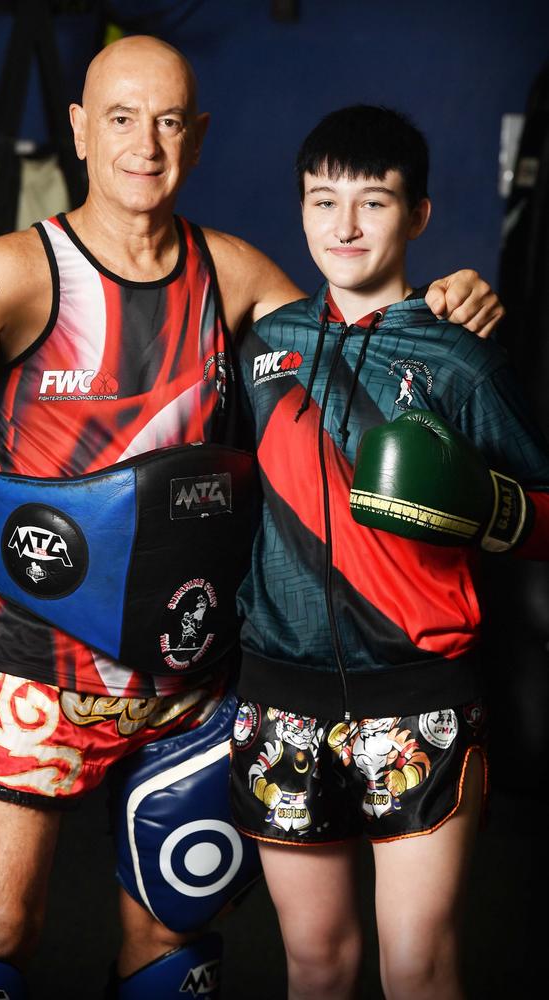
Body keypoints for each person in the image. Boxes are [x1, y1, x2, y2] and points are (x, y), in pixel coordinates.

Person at [0, 34, 503, 998]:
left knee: (171, 951)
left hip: (187, 677)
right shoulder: (20, 269)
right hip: (37, 666)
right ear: (80, 132)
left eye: (170, 121)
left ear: (199, 135)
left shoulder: (232, 274)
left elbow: (352, 343)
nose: (146, 143)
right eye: (123, 118)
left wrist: (445, 300)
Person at [229, 104, 549, 1000]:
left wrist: (483, 506)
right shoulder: (266, 347)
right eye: (322, 200)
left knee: (418, 968)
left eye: (373, 201)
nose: (344, 226)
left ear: (418, 215)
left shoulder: (461, 361)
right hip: (277, 693)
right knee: (316, 964)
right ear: (298, 209)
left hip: (420, 696)